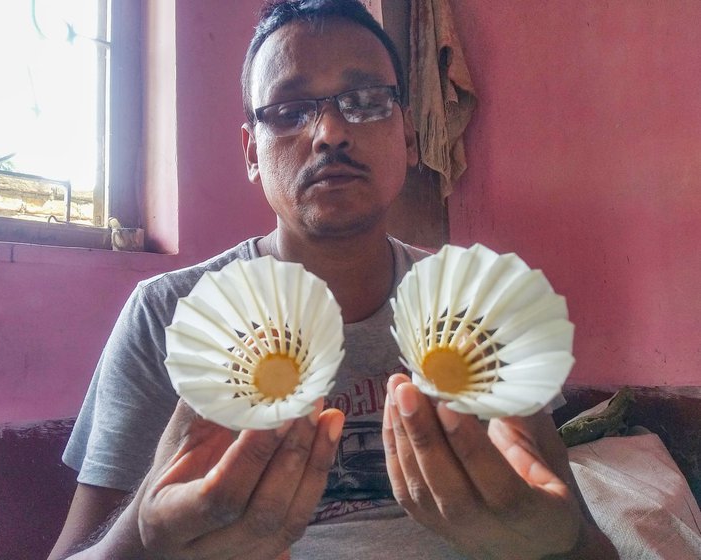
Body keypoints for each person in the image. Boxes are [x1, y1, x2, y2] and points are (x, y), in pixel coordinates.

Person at [49, 1, 618, 558]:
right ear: (251, 151)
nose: (330, 133)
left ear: (410, 138)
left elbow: (583, 539)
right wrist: (146, 542)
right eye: (289, 109)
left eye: (366, 101)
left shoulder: (478, 306)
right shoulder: (167, 314)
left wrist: (563, 545)